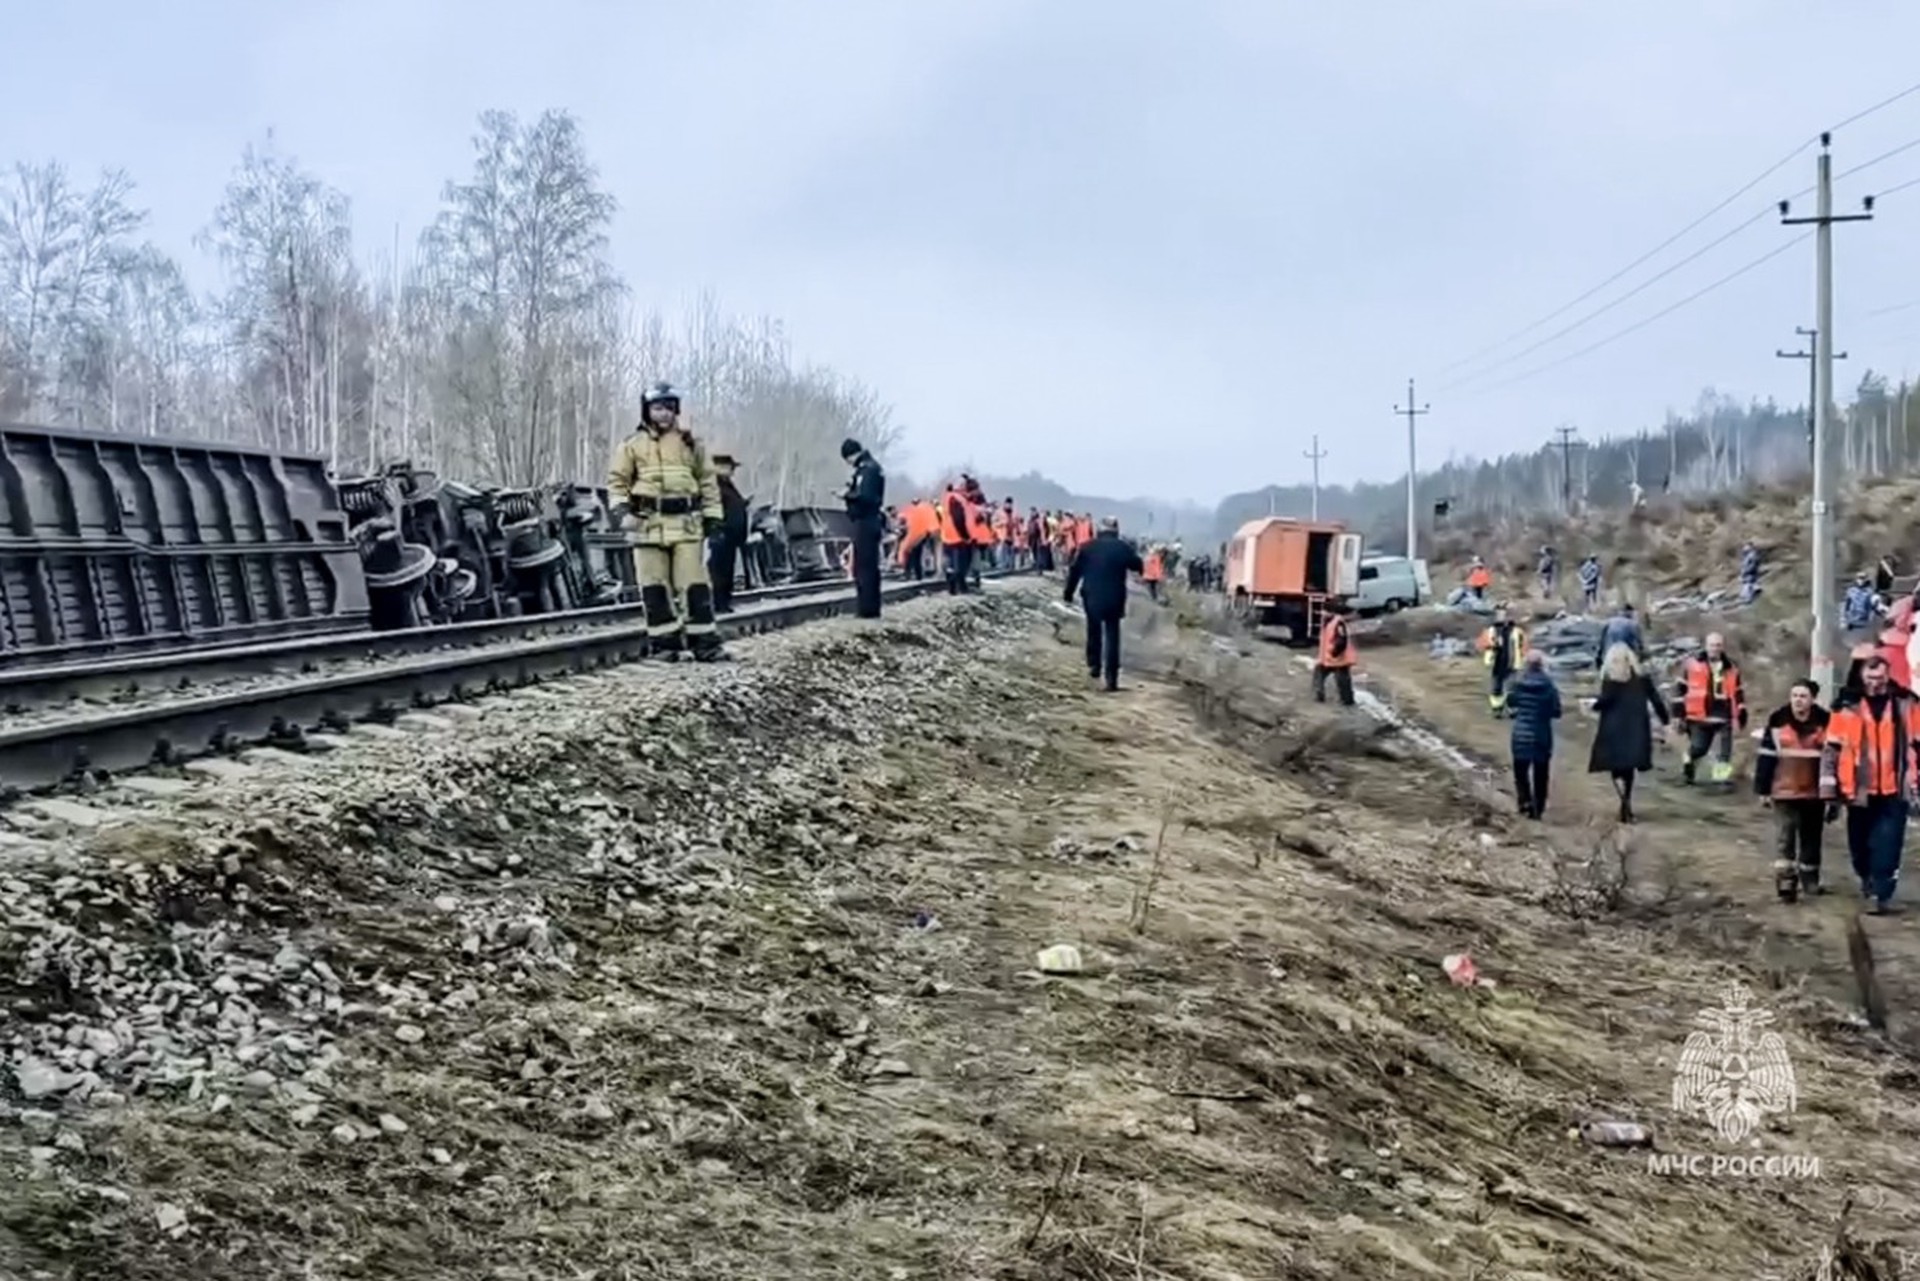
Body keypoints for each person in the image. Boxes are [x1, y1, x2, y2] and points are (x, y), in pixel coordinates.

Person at [607, 381, 725, 662]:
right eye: (658, 408)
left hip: (685, 525)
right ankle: (665, 645)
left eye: (669, 408)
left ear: (676, 411)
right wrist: (623, 512)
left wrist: (714, 518)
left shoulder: (691, 445)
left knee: (694, 585)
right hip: (646, 525)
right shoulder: (631, 446)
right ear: (647, 411)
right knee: (654, 587)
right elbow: (617, 482)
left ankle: (705, 644)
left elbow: (708, 482)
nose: (664, 414)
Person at [1821, 650, 1920, 913]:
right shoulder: (1846, 706)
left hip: (1894, 789)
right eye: (1870, 676)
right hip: (1858, 790)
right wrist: (1829, 790)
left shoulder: (1906, 703)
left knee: (1888, 844)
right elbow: (1831, 750)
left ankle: (1882, 892)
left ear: (1888, 676)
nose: (1876, 682)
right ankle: (1867, 877)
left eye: (1880, 676)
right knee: (1860, 845)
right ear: (1862, 676)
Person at [1754, 679, 1834, 901]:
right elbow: (1766, 758)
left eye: (1803, 696)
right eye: (1795, 695)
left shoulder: (1825, 723)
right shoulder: (1778, 722)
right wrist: (1763, 789)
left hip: (1814, 793)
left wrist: (1833, 794)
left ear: (1812, 699)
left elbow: (1833, 759)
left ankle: (1810, 880)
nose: (1798, 700)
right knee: (1785, 836)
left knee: (1811, 837)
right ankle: (1786, 882)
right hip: (1784, 790)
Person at [1587, 642, 1671, 823]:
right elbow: (1656, 699)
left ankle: (1624, 802)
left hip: (1613, 729)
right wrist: (1666, 721)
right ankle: (1627, 803)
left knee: (1616, 768)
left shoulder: (1611, 681)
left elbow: (1605, 701)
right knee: (1629, 769)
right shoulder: (1642, 679)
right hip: (1636, 729)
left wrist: (1592, 705)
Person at [1063, 516, 1142, 692]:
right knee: (1113, 636)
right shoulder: (1123, 548)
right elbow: (1137, 565)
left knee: (1094, 629)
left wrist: (1068, 592)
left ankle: (1094, 665)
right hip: (1115, 598)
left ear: (1100, 529)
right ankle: (1111, 677)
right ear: (1116, 530)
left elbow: (1075, 571)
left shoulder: (1088, 547)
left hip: (1092, 596)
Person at [1676, 632, 1746, 785]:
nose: (1715, 648)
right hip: (1699, 715)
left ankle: (1720, 780)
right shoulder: (1692, 665)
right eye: (1712, 645)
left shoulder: (1731, 667)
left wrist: (1741, 713)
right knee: (1699, 749)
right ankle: (1688, 761)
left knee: (1725, 752)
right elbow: (1680, 689)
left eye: (1718, 645)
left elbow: (1738, 691)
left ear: (1723, 647)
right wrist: (1679, 715)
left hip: (1724, 714)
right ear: (1706, 646)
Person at [1506, 650, 1562, 819]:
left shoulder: (1517, 683)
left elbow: (1511, 702)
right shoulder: (1549, 686)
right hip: (1541, 735)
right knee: (1541, 774)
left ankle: (1524, 802)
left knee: (1520, 772)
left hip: (1520, 734)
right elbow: (1556, 711)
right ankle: (1538, 808)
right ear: (1542, 665)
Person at [840, 438, 885, 619]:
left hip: (866, 521)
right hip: (870, 520)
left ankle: (866, 609)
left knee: (865, 567)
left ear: (852, 455)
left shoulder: (868, 470)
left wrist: (848, 495)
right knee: (868, 566)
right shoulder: (871, 468)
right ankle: (870, 607)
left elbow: (866, 497)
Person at [708, 453, 750, 613]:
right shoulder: (714, 486)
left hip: (731, 537)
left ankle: (724, 602)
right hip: (721, 536)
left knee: (726, 570)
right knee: (719, 571)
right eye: (730, 467)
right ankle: (720, 603)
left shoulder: (727, 486)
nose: (732, 471)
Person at [1477, 603, 1526, 718]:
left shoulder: (1517, 631)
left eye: (1505, 614)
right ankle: (1497, 708)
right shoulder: (1491, 631)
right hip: (1496, 663)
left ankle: (1512, 709)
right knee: (1496, 687)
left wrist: (1524, 658)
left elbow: (1523, 645)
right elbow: (1482, 644)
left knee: (1512, 688)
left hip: (1512, 663)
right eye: (1500, 614)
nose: (1503, 616)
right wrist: (1492, 645)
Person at [1313, 604, 1357, 706]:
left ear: (1330, 612)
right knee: (1318, 675)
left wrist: (1335, 652)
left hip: (1338, 660)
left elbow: (1342, 640)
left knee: (1343, 684)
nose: (1322, 613)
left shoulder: (1338, 623)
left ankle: (1348, 703)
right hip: (1327, 659)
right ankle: (1319, 696)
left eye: (1324, 611)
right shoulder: (1328, 622)